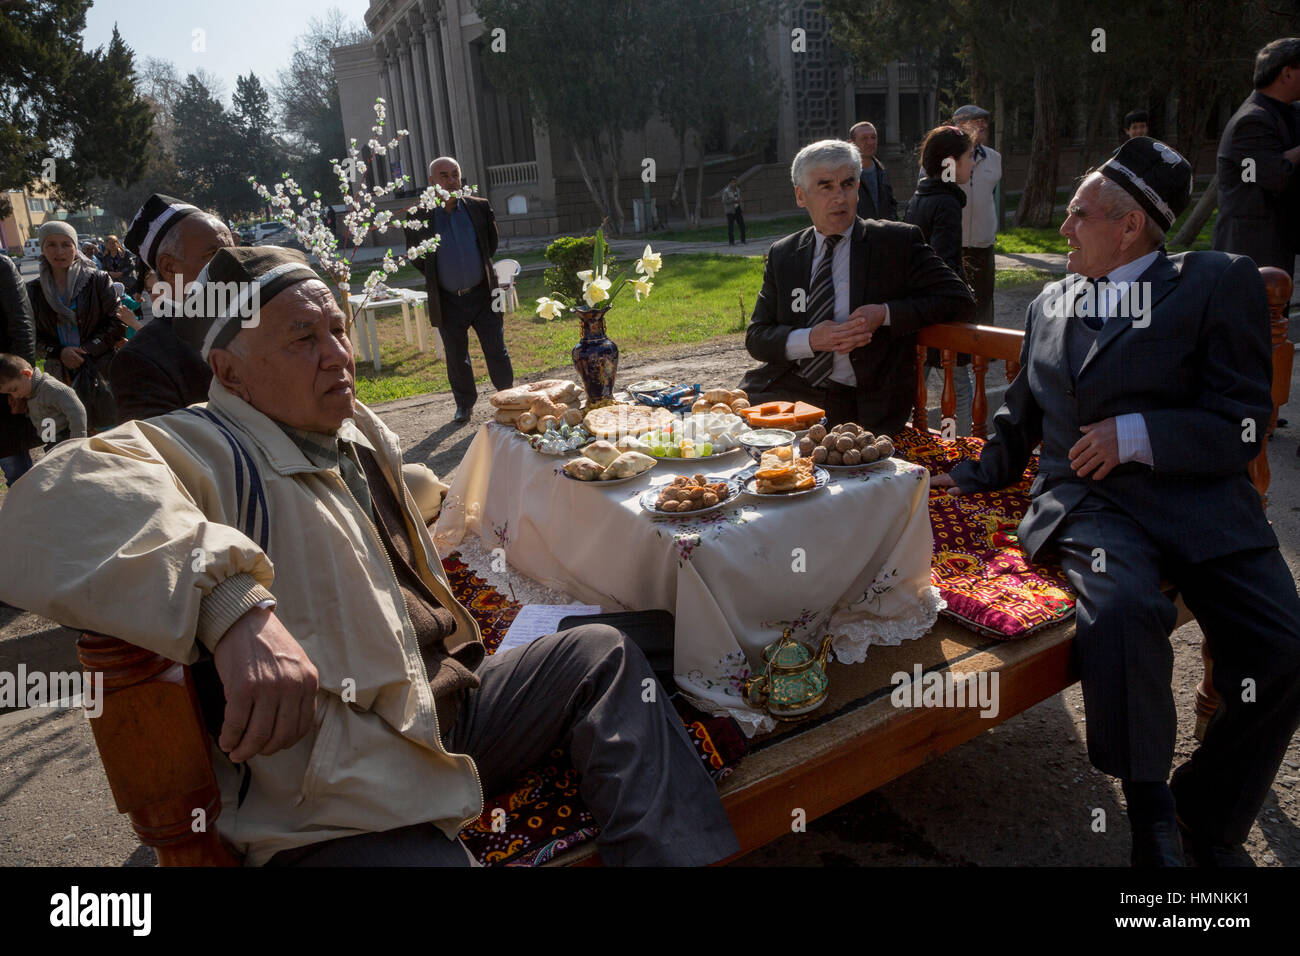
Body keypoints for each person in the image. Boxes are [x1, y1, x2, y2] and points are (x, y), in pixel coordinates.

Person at [0, 245, 738, 867]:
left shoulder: (347, 427)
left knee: (608, 652)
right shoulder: (204, 444)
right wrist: (233, 608)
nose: (337, 357)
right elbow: (51, 501)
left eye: (337, 331)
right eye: (301, 340)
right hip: (345, 784)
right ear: (229, 373)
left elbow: (367, 505)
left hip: (446, 703)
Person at [934, 138, 1300, 867]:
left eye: (1077, 214)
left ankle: (1211, 811)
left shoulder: (1212, 283)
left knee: (1283, 649)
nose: (1063, 229)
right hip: (1092, 508)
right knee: (1128, 611)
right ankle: (1152, 819)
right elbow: (1020, 421)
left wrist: (1138, 433)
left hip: (1202, 503)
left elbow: (1245, 420)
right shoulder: (1050, 301)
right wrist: (972, 475)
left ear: (1129, 225)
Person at [738, 139, 974, 431]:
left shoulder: (896, 243)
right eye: (826, 186)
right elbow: (758, 337)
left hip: (863, 403)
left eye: (848, 184)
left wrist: (885, 314)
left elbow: (959, 298)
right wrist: (811, 339)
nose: (840, 197)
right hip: (792, 392)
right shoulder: (785, 254)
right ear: (801, 196)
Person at [404, 157, 513, 425]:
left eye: (455, 175)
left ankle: (510, 398)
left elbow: (491, 243)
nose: (451, 181)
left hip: (483, 295)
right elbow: (416, 256)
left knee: (496, 349)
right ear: (432, 182)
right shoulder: (417, 217)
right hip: (447, 300)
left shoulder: (479, 207)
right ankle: (464, 404)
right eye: (444, 176)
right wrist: (441, 275)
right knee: (456, 356)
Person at [110, 194, 232, 421]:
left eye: (233, 251)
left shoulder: (253, 318)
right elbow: (165, 450)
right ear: (169, 267)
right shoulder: (140, 360)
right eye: (214, 255)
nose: (233, 262)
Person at [905, 125, 976, 434]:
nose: (973, 164)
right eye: (969, 157)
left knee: (920, 378)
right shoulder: (946, 202)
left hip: (920, 304)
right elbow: (943, 261)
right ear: (950, 163)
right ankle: (964, 445)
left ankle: (916, 435)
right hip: (941, 309)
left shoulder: (922, 196)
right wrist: (962, 297)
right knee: (958, 381)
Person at [1213, 37, 1300, 276]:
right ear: (1287, 73)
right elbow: (1278, 176)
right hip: (1249, 254)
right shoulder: (1251, 121)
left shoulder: (1290, 112)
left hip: (1278, 249)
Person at [26, 221, 123, 387]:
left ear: (75, 247)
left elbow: (116, 322)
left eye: (66, 244)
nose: (59, 251)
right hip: (58, 373)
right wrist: (60, 352)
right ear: (42, 248)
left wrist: (85, 350)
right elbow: (31, 334)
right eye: (51, 245)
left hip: (100, 368)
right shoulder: (34, 290)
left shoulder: (97, 280)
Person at [952, 104, 1002, 326]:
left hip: (983, 241)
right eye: (975, 120)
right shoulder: (943, 158)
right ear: (959, 126)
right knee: (955, 295)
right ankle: (957, 351)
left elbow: (989, 194)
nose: (982, 125)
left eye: (985, 121)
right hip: (954, 240)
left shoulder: (994, 158)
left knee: (984, 296)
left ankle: (983, 347)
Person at [0, 252, 37, 486]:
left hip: (4, 387)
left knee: (19, 476)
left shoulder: (2, 267)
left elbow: (23, 327)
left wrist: (21, 388)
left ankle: (37, 521)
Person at [0, 353, 87, 444]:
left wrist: (77, 439)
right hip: (52, 441)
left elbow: (76, 411)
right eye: (9, 393)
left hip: (67, 437)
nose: (15, 396)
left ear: (26, 374)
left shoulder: (51, 388)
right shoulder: (31, 393)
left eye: (14, 389)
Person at [849, 120, 898, 221]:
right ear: (851, 143)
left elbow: (890, 203)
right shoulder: (846, 174)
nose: (870, 142)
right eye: (864, 138)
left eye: (873, 137)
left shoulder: (882, 170)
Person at [722, 177, 746, 245]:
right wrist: (733, 200)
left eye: (735, 182)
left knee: (742, 225)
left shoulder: (737, 189)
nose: (734, 183)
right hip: (730, 211)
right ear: (730, 183)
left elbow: (739, 198)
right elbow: (724, 201)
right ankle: (731, 242)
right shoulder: (726, 191)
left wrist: (741, 207)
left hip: (737, 209)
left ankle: (743, 240)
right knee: (731, 227)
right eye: (732, 182)